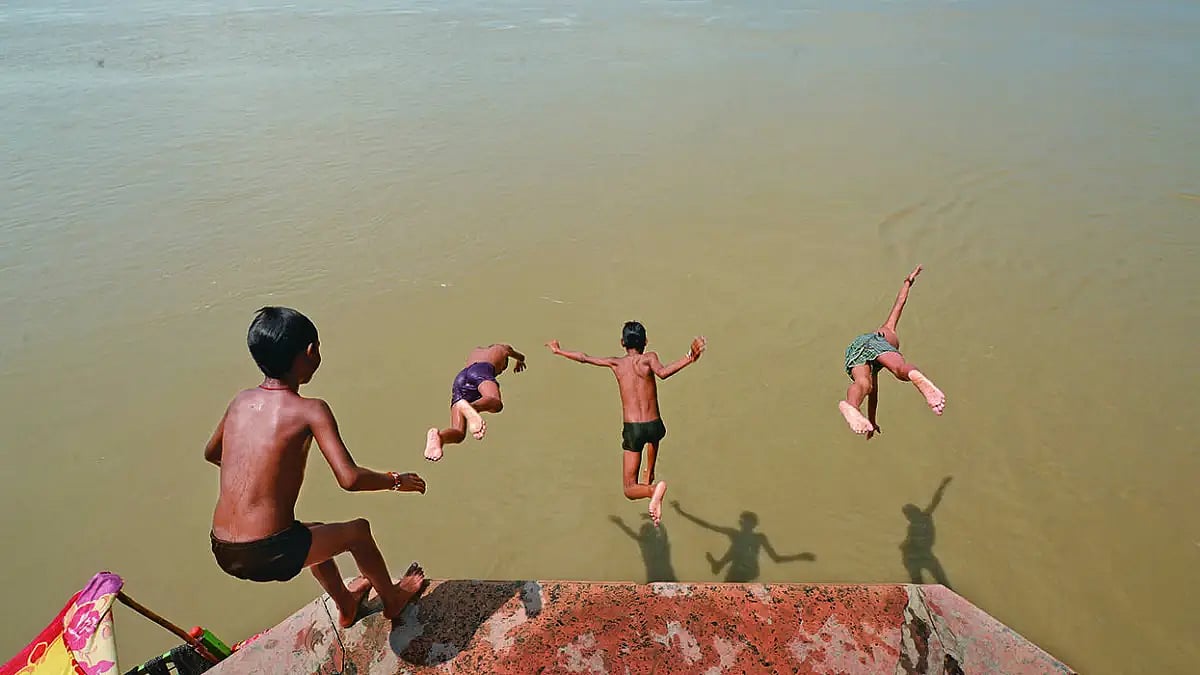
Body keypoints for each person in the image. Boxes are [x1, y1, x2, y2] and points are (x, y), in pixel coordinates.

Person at [205, 307, 427, 628]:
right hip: (269, 551)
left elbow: (213, 453)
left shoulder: (240, 401)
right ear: (310, 352)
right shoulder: (311, 410)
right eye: (317, 347)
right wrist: (396, 480)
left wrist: (257, 477)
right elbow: (349, 478)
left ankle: (347, 605)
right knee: (358, 532)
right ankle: (392, 600)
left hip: (223, 549)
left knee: (312, 531)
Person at [546, 322, 706, 525]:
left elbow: (584, 358)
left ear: (622, 342)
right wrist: (689, 358)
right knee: (654, 437)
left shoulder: (616, 363)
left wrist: (558, 351)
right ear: (646, 342)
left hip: (634, 430)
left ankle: (651, 489)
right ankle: (650, 471)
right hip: (655, 425)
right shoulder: (650, 358)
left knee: (629, 488)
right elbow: (664, 373)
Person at [838, 265, 946, 438]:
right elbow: (900, 302)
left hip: (855, 348)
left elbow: (873, 395)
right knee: (899, 369)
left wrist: (872, 421)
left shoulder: (875, 362)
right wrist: (909, 281)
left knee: (864, 384)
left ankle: (851, 405)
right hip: (877, 342)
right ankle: (913, 375)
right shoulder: (889, 331)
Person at [423, 343, 526, 461]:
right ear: (504, 361)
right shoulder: (501, 349)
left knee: (459, 433)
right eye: (502, 369)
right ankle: (472, 407)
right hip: (480, 370)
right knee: (496, 403)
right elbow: (518, 354)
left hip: (460, 378)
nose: (499, 372)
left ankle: (440, 437)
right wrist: (520, 360)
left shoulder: (476, 351)